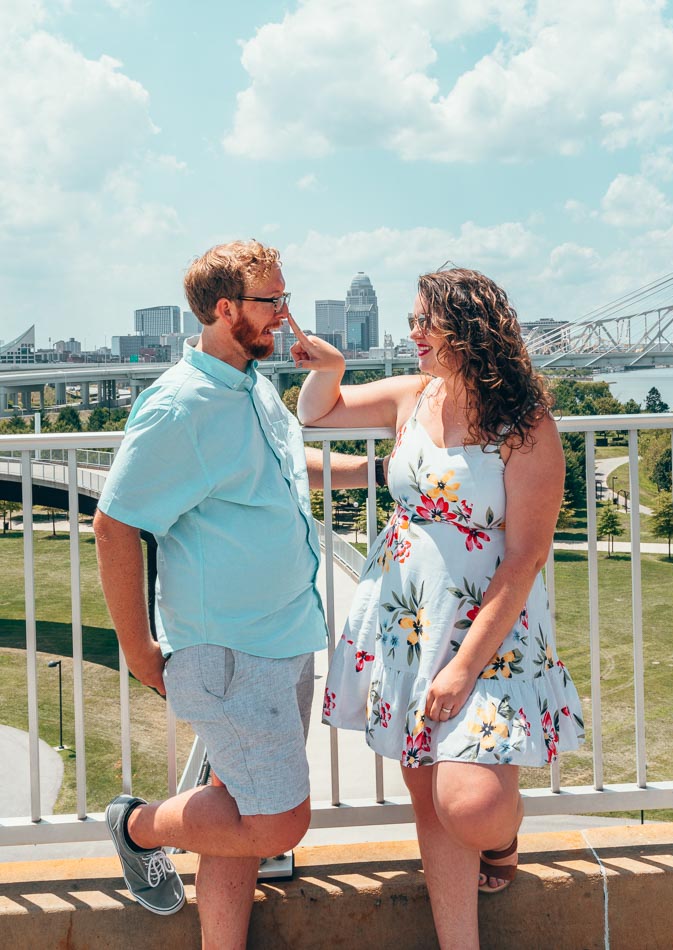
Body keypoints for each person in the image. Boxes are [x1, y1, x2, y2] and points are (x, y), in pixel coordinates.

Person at [291, 267, 585, 950]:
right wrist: (330, 366)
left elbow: (524, 560)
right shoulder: (411, 395)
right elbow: (316, 413)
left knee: (472, 807)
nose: (413, 333)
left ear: (469, 330)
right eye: (414, 320)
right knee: (428, 798)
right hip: (406, 619)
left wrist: (461, 670)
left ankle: (502, 837)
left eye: (426, 321)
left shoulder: (526, 426)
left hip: (492, 630)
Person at [94, 239, 369, 950]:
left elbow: (278, 466)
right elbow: (115, 524)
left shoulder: (249, 384)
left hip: (282, 641)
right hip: (229, 653)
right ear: (225, 309)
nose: (286, 314)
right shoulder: (180, 407)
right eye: (271, 301)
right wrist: (137, 649)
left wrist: (371, 472)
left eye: (284, 298)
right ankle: (135, 824)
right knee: (278, 821)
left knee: (243, 822)